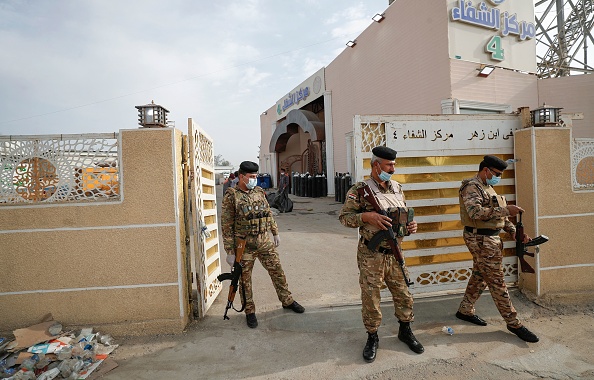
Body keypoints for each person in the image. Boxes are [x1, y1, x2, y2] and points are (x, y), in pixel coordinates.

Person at [339, 146, 423, 363]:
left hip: (395, 252)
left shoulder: (397, 188)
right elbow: (344, 218)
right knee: (371, 298)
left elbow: (401, 214)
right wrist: (366, 217)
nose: (393, 169)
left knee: (404, 293)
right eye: (389, 165)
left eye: (394, 164)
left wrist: (410, 226)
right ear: (376, 165)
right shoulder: (360, 190)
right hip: (371, 254)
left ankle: (405, 330)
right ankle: (372, 336)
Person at [456, 155, 539, 343]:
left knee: (480, 274)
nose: (498, 178)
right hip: (479, 238)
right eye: (497, 174)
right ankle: (513, 322)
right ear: (486, 170)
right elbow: (475, 213)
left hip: (490, 238)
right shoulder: (471, 187)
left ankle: (465, 310)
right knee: (496, 280)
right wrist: (507, 210)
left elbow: (499, 218)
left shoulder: (487, 187)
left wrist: (514, 232)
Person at [221, 161, 304, 328]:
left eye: (256, 176)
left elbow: (268, 213)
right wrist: (229, 251)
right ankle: (249, 311)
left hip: (264, 241)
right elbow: (226, 226)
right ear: (242, 176)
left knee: (277, 271)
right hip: (244, 245)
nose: (254, 179)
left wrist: (275, 232)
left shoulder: (259, 191)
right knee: (245, 280)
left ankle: (287, 300)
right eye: (251, 177)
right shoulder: (232, 196)